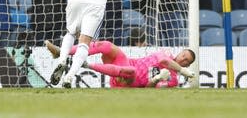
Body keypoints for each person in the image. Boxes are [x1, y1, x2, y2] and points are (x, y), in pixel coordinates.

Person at [45, 39, 196, 88]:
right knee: (107, 45)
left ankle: (85, 65)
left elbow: (151, 87)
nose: (183, 59)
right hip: (124, 62)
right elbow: (164, 61)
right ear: (180, 52)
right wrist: (183, 71)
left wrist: (157, 79)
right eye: (183, 55)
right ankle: (62, 52)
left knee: (131, 70)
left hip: (128, 80)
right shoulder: (167, 53)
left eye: (186, 60)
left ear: (188, 64)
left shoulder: (174, 80)